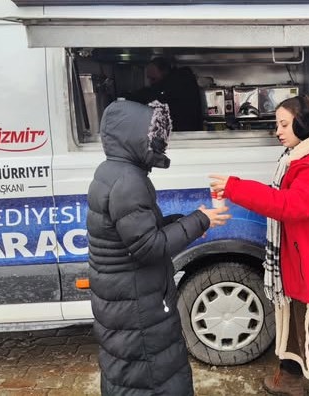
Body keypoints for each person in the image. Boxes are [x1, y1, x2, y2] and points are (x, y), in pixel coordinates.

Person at [210, 95, 309, 396]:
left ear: (303, 124)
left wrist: (235, 187)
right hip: (306, 264)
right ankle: (289, 379)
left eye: (284, 124)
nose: (278, 131)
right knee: (297, 328)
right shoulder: (305, 158)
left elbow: (288, 206)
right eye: (278, 124)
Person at [87, 99, 230, 395]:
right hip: (138, 304)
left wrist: (191, 221)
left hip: (126, 298)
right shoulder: (128, 181)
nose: (158, 144)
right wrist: (199, 222)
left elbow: (140, 232)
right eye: (152, 137)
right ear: (132, 137)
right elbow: (149, 247)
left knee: (130, 374)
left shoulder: (112, 171)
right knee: (152, 377)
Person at [125, 57, 204, 132]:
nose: (151, 83)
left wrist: (129, 97)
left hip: (185, 133)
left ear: (165, 71)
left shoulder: (178, 83)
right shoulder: (180, 80)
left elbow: (155, 94)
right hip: (185, 133)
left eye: (153, 79)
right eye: (149, 78)